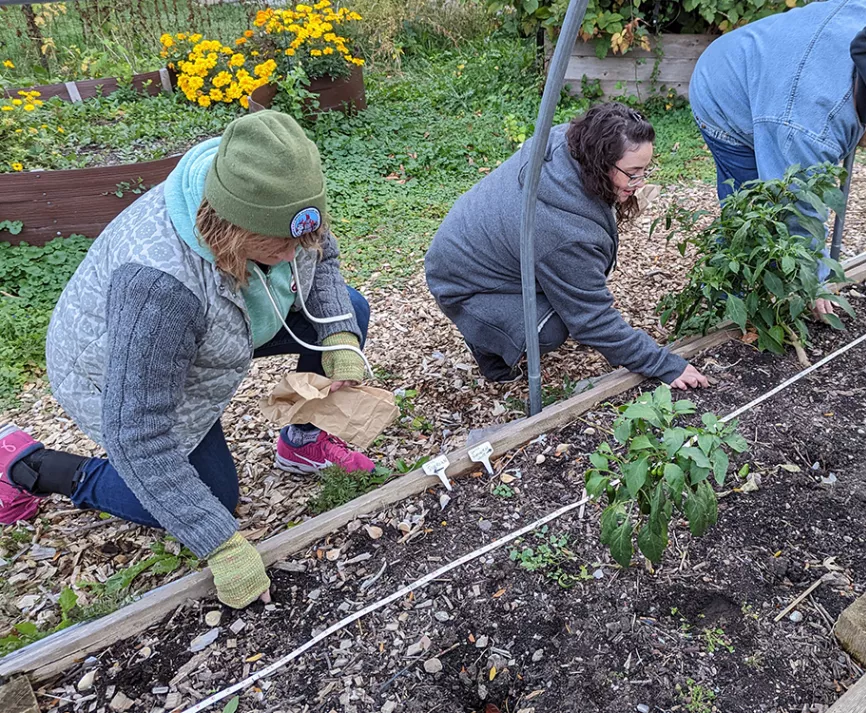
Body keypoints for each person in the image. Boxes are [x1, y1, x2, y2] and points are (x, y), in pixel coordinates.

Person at [0, 110, 376, 609]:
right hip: (124, 370)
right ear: (228, 230)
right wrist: (220, 544)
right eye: (278, 244)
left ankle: (301, 441)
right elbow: (137, 432)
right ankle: (34, 467)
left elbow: (320, 256)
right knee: (212, 502)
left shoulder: (279, 200)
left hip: (221, 328)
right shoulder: (158, 286)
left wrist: (341, 342)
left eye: (301, 237)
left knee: (350, 311)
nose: (293, 255)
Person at [688, 0, 866, 316]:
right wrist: (814, 281)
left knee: (768, 210)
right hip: (723, 94)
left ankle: (762, 282)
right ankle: (725, 303)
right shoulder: (808, 125)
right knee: (751, 209)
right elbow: (798, 206)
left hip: (765, 72)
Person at [425, 103, 708, 390]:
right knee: (550, 329)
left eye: (645, 170)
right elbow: (591, 320)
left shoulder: (570, 143)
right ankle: (486, 344)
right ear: (601, 162)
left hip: (472, 250)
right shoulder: (563, 230)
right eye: (633, 173)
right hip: (463, 283)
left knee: (567, 295)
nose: (640, 182)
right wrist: (664, 365)